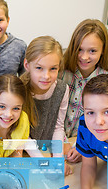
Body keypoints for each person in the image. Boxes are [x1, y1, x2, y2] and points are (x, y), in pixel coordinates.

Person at [60, 19, 108, 163]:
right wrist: (63, 142)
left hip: (87, 144)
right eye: (80, 49)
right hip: (56, 141)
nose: (84, 57)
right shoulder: (60, 73)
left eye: (92, 51)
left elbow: (106, 123)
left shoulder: (107, 81)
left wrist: (80, 146)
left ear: (103, 51)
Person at [21, 36, 72, 175]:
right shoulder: (19, 90)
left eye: (53, 69)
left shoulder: (62, 89)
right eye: (39, 68)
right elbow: (21, 136)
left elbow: (58, 126)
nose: (46, 76)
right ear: (27, 65)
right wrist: (42, 163)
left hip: (46, 148)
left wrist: (57, 160)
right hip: (22, 152)